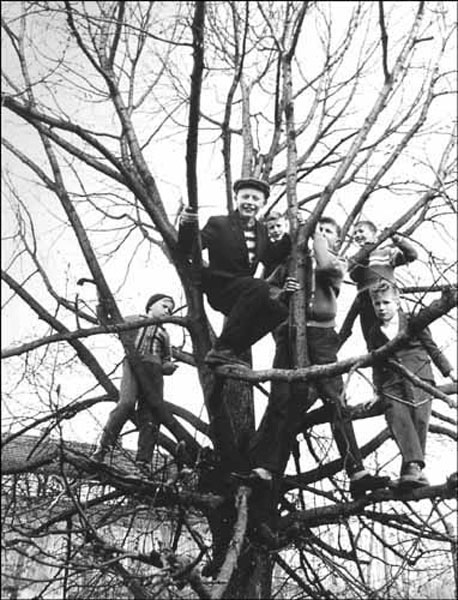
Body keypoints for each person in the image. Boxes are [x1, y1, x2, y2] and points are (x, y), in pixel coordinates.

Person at [247, 217, 390, 499]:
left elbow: (325, 268)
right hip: (290, 335)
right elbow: (266, 290)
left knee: (335, 400)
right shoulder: (293, 262)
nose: (322, 235)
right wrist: (281, 292)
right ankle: (266, 469)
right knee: (281, 400)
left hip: (322, 338)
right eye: (319, 230)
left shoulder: (337, 262)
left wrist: (316, 237)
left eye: (328, 233)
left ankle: (356, 471)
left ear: (336, 240)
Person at [178, 177, 292, 367]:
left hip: (245, 294)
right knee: (260, 286)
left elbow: (272, 256)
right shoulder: (219, 224)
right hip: (221, 288)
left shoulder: (262, 232)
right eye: (245, 197)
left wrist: (294, 232)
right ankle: (222, 347)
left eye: (256, 199)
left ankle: (230, 351)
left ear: (262, 204)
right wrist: (187, 225)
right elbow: (191, 247)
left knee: (279, 311)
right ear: (236, 198)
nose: (250, 202)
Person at [367, 280, 456, 488]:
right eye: (377, 304)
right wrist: (376, 391)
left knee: (419, 420)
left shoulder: (412, 321)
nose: (381, 308)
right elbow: (376, 363)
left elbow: (431, 347)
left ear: (397, 301)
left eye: (386, 302)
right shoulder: (373, 331)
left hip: (419, 376)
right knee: (398, 417)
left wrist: (450, 372)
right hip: (391, 382)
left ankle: (412, 471)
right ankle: (414, 468)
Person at [91, 293, 178, 476]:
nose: (167, 311)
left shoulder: (164, 334)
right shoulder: (135, 320)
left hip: (154, 371)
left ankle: (143, 461)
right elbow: (108, 325)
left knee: (151, 415)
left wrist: (168, 367)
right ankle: (104, 446)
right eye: (164, 306)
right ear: (150, 306)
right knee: (126, 403)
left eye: (170, 310)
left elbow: (166, 359)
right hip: (133, 363)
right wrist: (102, 307)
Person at [341, 220, 418, 348]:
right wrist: (364, 256)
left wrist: (396, 238)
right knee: (372, 338)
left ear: (374, 235)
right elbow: (354, 276)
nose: (357, 235)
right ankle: (378, 363)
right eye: (354, 233)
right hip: (366, 301)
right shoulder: (356, 258)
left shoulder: (386, 252)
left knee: (396, 333)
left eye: (361, 231)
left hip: (387, 296)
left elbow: (412, 255)